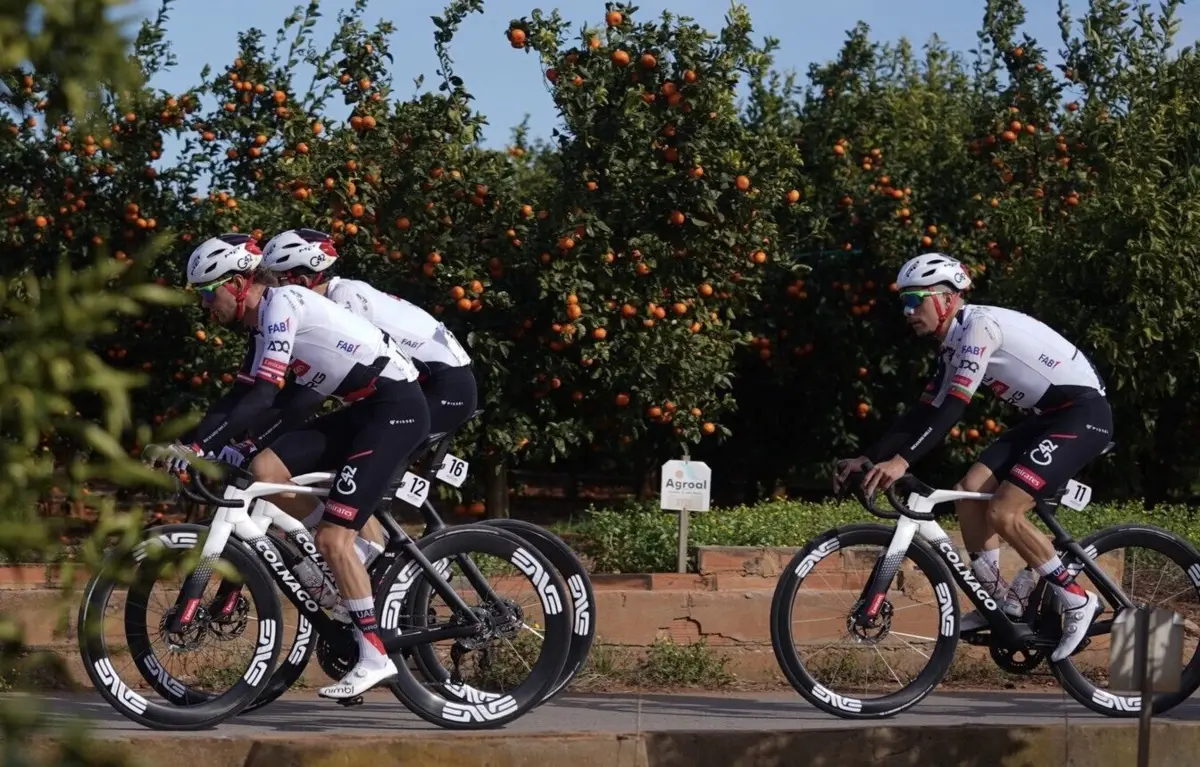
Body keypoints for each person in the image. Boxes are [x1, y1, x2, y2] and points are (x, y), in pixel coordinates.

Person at [163, 232, 431, 698]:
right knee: (265, 467)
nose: (205, 305)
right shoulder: (261, 324)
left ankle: (374, 654)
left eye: (208, 292)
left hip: (396, 409)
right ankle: (352, 564)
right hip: (364, 409)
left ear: (238, 284)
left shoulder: (282, 304)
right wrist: (191, 444)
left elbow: (266, 396)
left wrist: (204, 448)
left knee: (332, 537)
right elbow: (240, 397)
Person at [832, 253, 1111, 663]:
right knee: (967, 492)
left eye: (915, 300)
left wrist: (902, 462)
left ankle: (1076, 599)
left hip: (1082, 414)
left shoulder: (979, 327)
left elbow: (952, 409)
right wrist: (868, 457)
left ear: (947, 299)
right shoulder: (952, 344)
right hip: (1047, 417)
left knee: (1003, 512)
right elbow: (925, 411)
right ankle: (1000, 602)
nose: (908, 311)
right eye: (904, 302)